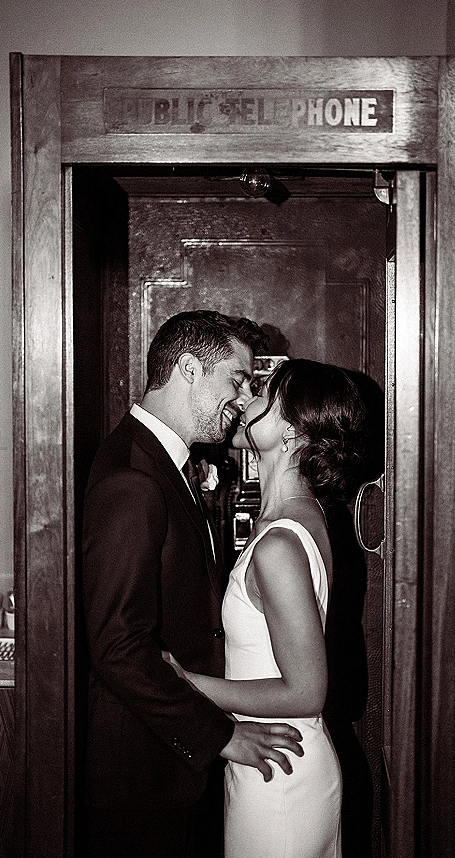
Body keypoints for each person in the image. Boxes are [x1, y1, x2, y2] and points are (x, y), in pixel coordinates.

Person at [81, 310, 304, 858]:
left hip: (170, 767)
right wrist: (223, 737)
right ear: (187, 369)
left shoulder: (166, 462)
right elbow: (118, 647)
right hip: (142, 777)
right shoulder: (134, 478)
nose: (243, 397)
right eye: (236, 379)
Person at [164, 358, 367, 858]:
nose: (245, 402)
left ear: (292, 428)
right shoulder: (298, 515)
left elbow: (307, 690)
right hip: (271, 757)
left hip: (281, 770)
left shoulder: (280, 543)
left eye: (261, 395)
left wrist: (189, 685)